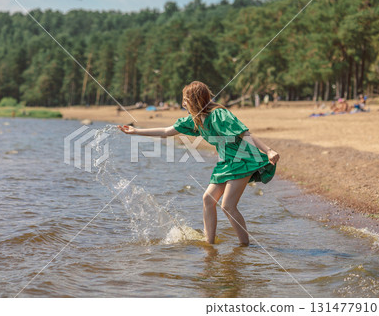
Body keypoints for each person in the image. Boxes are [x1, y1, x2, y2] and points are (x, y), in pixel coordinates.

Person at [118, 81, 280, 245]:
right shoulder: (195, 120)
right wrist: (135, 131)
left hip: (243, 158)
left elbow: (245, 133)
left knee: (228, 206)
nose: (183, 104)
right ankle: (209, 244)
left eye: (185, 100)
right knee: (208, 200)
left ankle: (245, 245)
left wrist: (268, 151)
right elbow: (167, 131)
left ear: (194, 100)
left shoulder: (219, 115)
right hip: (226, 162)